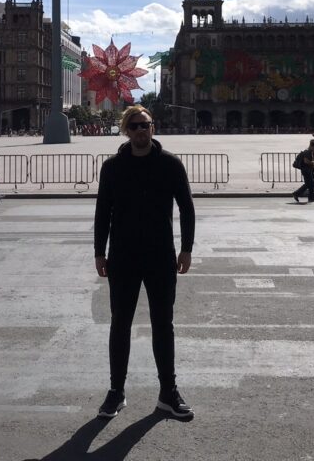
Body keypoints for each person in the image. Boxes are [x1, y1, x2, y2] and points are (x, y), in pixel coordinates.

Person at [94, 105, 195, 421]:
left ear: (153, 128)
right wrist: (99, 251)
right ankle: (116, 392)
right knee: (119, 324)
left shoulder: (170, 165)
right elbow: (103, 213)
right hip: (123, 257)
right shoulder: (112, 168)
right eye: (135, 125)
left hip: (160, 256)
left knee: (163, 325)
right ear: (126, 130)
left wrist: (187, 248)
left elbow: (187, 208)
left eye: (146, 125)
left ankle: (168, 393)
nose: (141, 130)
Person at [292, 139, 314, 203]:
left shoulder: (309, 151)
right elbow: (306, 161)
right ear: (311, 146)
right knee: (308, 184)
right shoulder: (307, 152)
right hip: (306, 170)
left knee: (311, 184)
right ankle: (296, 193)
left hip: (307, 169)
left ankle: (311, 198)